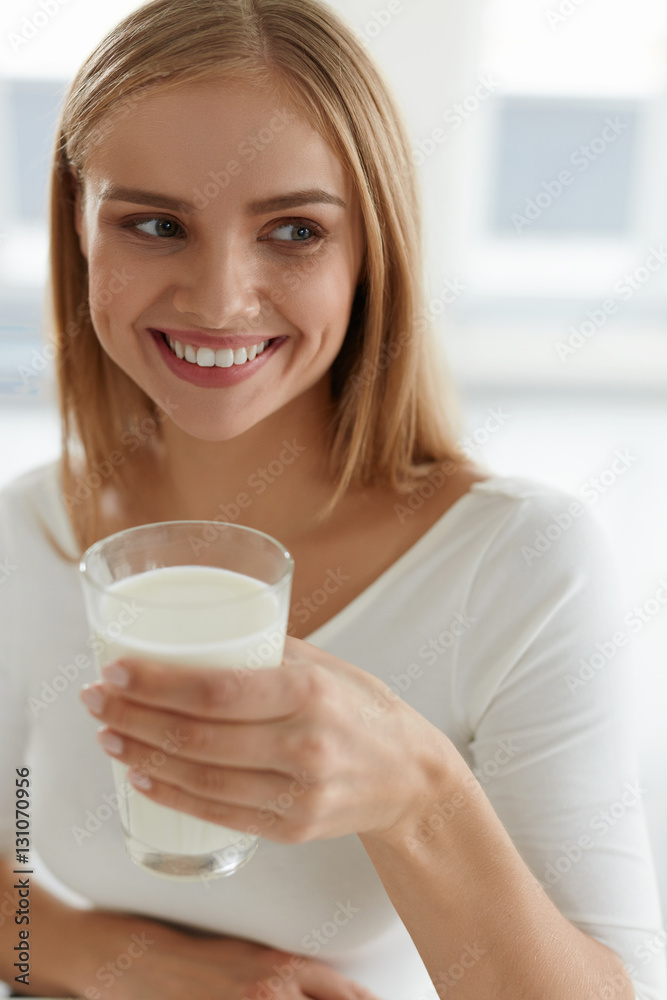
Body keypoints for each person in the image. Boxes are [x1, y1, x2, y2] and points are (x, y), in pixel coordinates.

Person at [0, 0, 664, 998]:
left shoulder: (521, 563)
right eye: (154, 223)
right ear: (81, 236)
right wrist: (118, 964)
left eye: (294, 232)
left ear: (371, 252)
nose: (221, 299)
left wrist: (416, 793)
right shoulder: (29, 533)